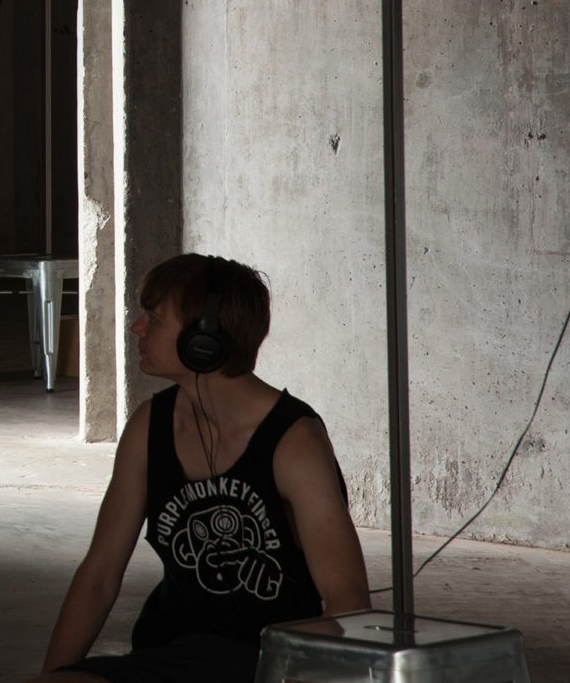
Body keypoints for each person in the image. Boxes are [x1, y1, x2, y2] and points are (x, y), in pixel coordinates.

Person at [29, 254, 369, 683]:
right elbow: (99, 574)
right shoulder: (149, 426)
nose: (137, 328)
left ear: (203, 341)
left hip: (262, 661)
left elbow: (348, 600)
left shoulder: (294, 442)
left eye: (153, 318)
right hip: (170, 653)